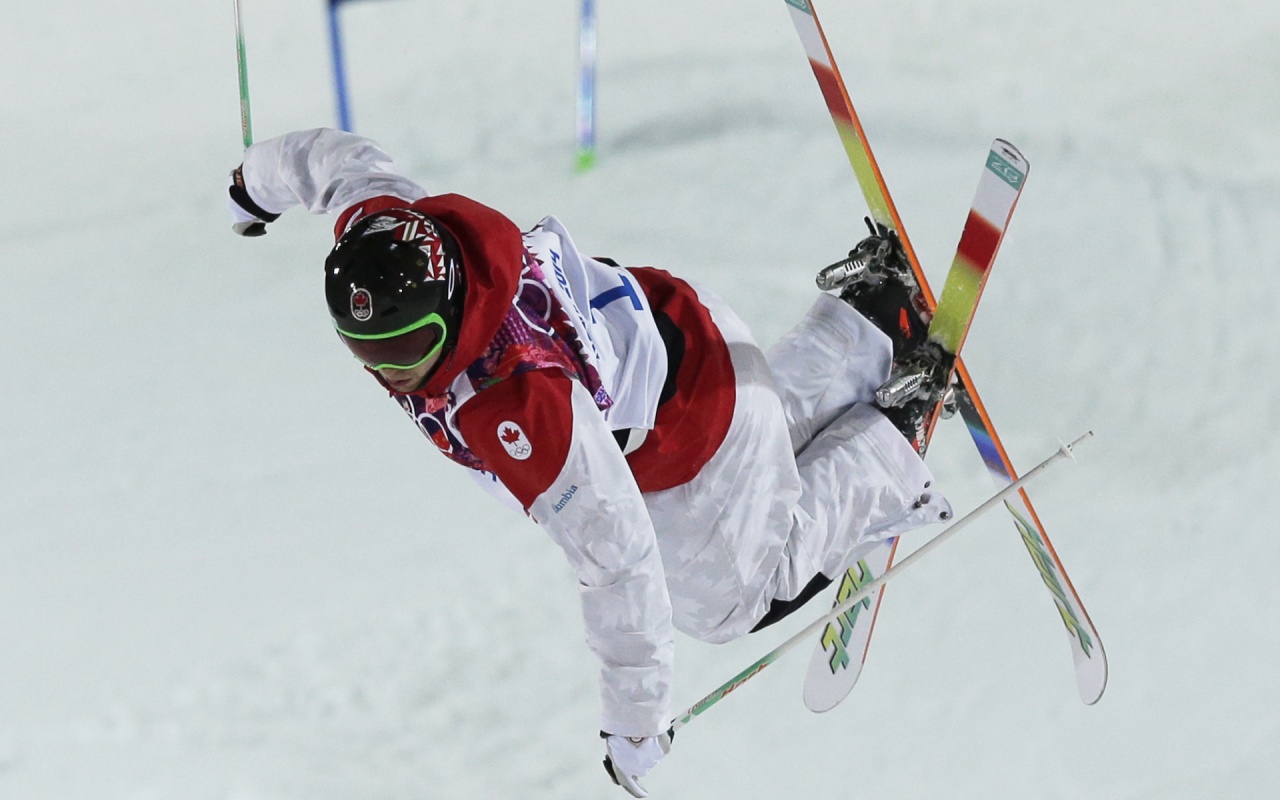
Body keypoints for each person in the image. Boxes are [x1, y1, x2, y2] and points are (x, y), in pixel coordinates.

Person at [227, 128, 951, 797]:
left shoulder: (514, 400)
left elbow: (618, 555)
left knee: (731, 600)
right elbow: (335, 161)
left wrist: (633, 724)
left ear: (445, 306)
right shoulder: (397, 231)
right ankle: (872, 316)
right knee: (759, 466)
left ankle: (893, 435)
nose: (394, 374)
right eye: (370, 353)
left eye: (409, 348)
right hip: (689, 332)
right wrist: (256, 183)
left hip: (693, 428)